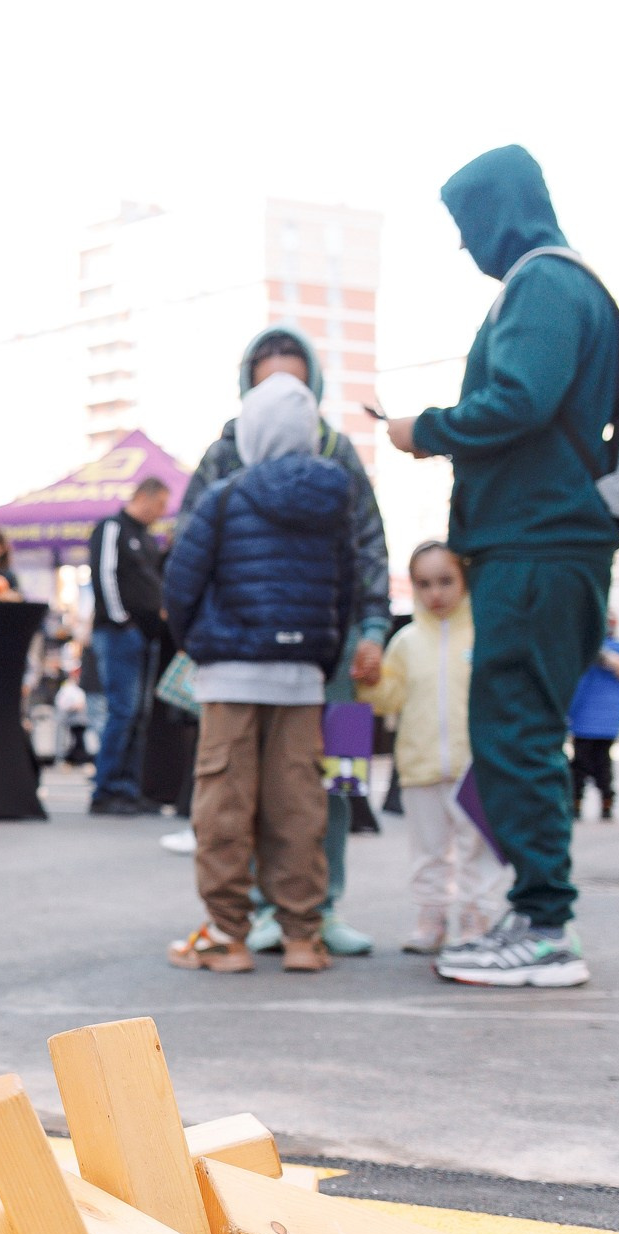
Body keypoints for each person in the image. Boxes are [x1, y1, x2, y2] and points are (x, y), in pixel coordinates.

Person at [386, 146, 619, 988]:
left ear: (497, 212)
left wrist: (427, 428)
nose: (463, 247)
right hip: (550, 542)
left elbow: (519, 398)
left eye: (465, 225)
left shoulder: (544, 283)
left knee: (513, 730)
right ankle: (537, 914)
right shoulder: (566, 280)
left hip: (537, 542)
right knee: (522, 730)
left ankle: (547, 927)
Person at [181, 326, 392, 955]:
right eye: (267, 381)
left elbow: (369, 546)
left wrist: (374, 628)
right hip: (255, 655)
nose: (281, 394)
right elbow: (188, 545)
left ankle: (319, 911)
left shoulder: (339, 452)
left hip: (338, 652)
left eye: (293, 382)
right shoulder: (224, 453)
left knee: (336, 782)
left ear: (314, 386)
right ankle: (259, 911)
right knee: (240, 790)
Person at [161, 373, 354, 974]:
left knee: (224, 806)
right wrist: (320, 654)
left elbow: (181, 583)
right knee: (297, 806)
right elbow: (346, 585)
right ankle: (302, 936)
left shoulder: (225, 495)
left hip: (232, 675)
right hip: (301, 678)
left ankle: (228, 935)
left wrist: (198, 643)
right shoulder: (334, 500)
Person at [366, 543, 506, 954]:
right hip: (419, 764)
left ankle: (476, 914)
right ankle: (431, 914)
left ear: (465, 580)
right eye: (424, 584)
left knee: (476, 846)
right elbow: (387, 700)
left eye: (446, 581)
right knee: (428, 850)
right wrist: (371, 680)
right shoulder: (406, 640)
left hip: (473, 764)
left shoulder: (483, 631)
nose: (436, 594)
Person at [84, 476, 170, 815]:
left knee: (138, 715)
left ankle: (129, 788)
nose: (162, 512)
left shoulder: (147, 538)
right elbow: (104, 575)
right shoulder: (112, 528)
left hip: (146, 636)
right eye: (161, 505)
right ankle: (106, 789)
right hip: (119, 633)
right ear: (145, 498)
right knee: (122, 711)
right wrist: (122, 620)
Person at [567, 614, 619, 823]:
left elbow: (577, 689)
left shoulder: (587, 655)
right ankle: (607, 802)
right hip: (609, 725)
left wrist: (568, 715)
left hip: (584, 723)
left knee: (579, 766)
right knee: (603, 764)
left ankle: (576, 804)